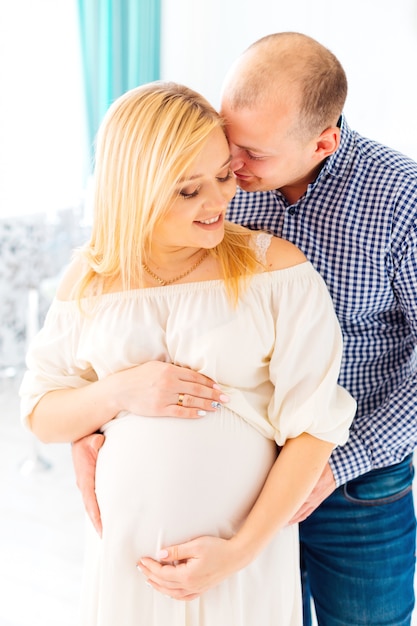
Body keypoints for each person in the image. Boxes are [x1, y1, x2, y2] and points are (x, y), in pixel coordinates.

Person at [72, 32, 417, 626]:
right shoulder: (217, 181)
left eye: (251, 155)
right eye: (229, 139)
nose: (231, 166)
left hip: (357, 485)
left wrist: (335, 461)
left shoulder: (401, 201)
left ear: (323, 141)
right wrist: (93, 422)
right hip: (230, 486)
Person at [19, 81, 355, 626]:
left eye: (224, 175)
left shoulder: (276, 271)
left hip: (240, 560)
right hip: (129, 560)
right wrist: (120, 391)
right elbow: (41, 412)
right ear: (135, 188)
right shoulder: (92, 278)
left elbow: (314, 428)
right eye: (187, 190)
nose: (219, 200)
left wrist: (241, 551)